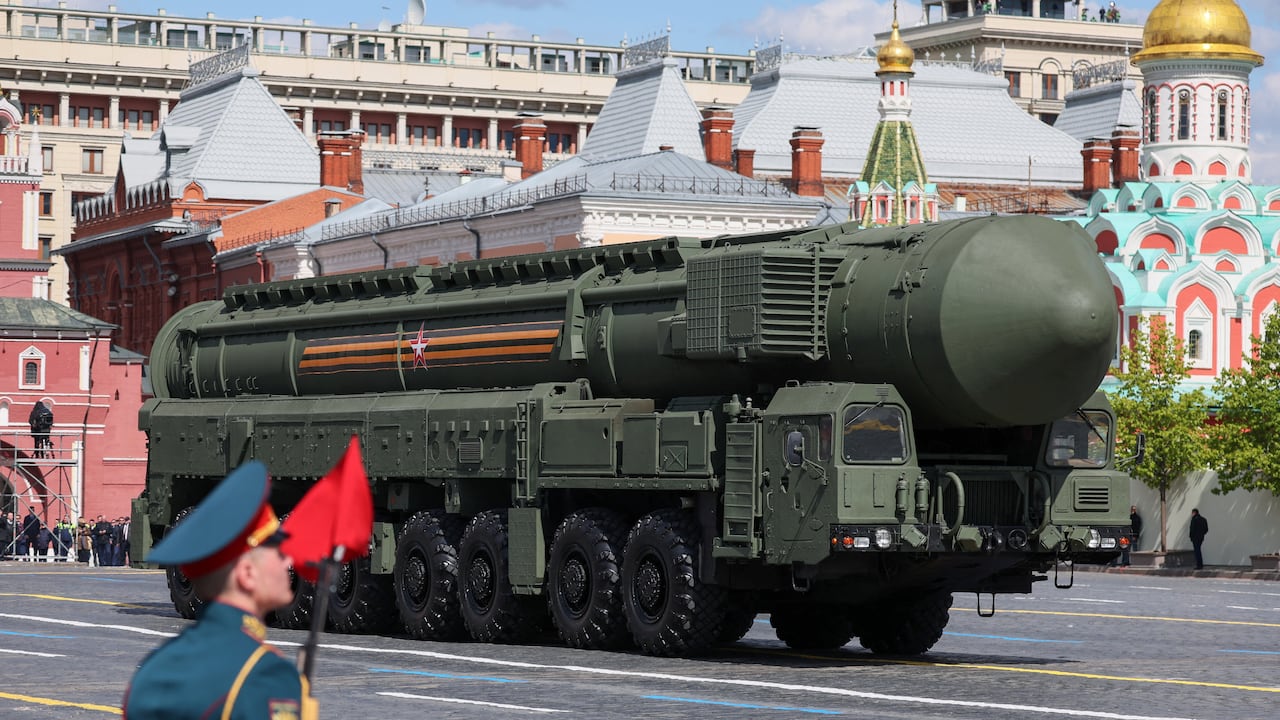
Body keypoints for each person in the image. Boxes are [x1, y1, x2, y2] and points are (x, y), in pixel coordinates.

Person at [122, 461, 312, 720]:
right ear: (247, 574)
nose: (288, 562)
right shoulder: (267, 676)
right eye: (277, 552)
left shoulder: (154, 669)